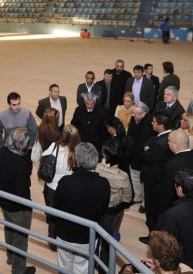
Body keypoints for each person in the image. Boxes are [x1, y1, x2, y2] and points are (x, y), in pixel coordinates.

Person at [53, 143, 110, 274]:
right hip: (88, 237)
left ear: (77, 162)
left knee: (64, 266)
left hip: (65, 234)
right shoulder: (104, 184)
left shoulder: (65, 182)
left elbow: (56, 207)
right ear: (95, 162)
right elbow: (103, 210)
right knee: (82, 268)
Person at [0, 128, 36, 274]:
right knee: (20, 239)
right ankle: (18, 270)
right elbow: (22, 194)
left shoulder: (0, 152)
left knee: (8, 228)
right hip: (18, 210)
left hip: (3, 202)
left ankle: (10, 257)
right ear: (22, 146)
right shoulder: (20, 166)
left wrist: (4, 188)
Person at [42, 125, 80, 249]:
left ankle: (52, 242)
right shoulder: (77, 152)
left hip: (52, 187)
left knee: (53, 216)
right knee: (66, 216)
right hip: (70, 189)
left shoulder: (55, 146)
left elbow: (44, 155)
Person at [96, 139, 133, 268]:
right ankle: (103, 267)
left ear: (105, 155)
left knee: (94, 237)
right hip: (111, 212)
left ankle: (92, 260)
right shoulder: (122, 176)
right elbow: (128, 198)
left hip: (95, 207)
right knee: (107, 242)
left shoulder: (97, 168)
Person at [139, 113, 173, 244]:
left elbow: (144, 155)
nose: (151, 123)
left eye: (153, 122)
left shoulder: (160, 144)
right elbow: (145, 148)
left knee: (153, 211)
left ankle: (152, 237)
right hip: (158, 180)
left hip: (154, 182)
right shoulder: (165, 137)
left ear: (161, 125)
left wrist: (145, 149)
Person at [160, 129, 193, 213]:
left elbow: (167, 194)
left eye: (169, 141)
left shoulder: (171, 165)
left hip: (176, 208)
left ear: (176, 145)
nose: (167, 143)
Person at [121, 231, 193, 274]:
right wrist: (157, 266)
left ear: (157, 260)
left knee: (126, 267)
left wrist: (127, 270)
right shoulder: (189, 270)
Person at [127, 102, 153, 206]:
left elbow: (146, 141)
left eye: (136, 113)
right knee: (134, 176)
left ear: (144, 114)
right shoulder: (134, 118)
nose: (133, 115)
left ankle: (144, 203)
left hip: (143, 156)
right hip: (133, 154)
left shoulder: (150, 123)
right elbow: (129, 133)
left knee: (143, 180)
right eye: (133, 112)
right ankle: (137, 196)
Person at [71, 91, 109, 156]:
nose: (89, 106)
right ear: (84, 102)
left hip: (96, 145)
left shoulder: (102, 111)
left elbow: (105, 130)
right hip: (82, 143)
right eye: (87, 104)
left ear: (95, 102)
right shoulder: (78, 110)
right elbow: (74, 125)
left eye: (91, 104)